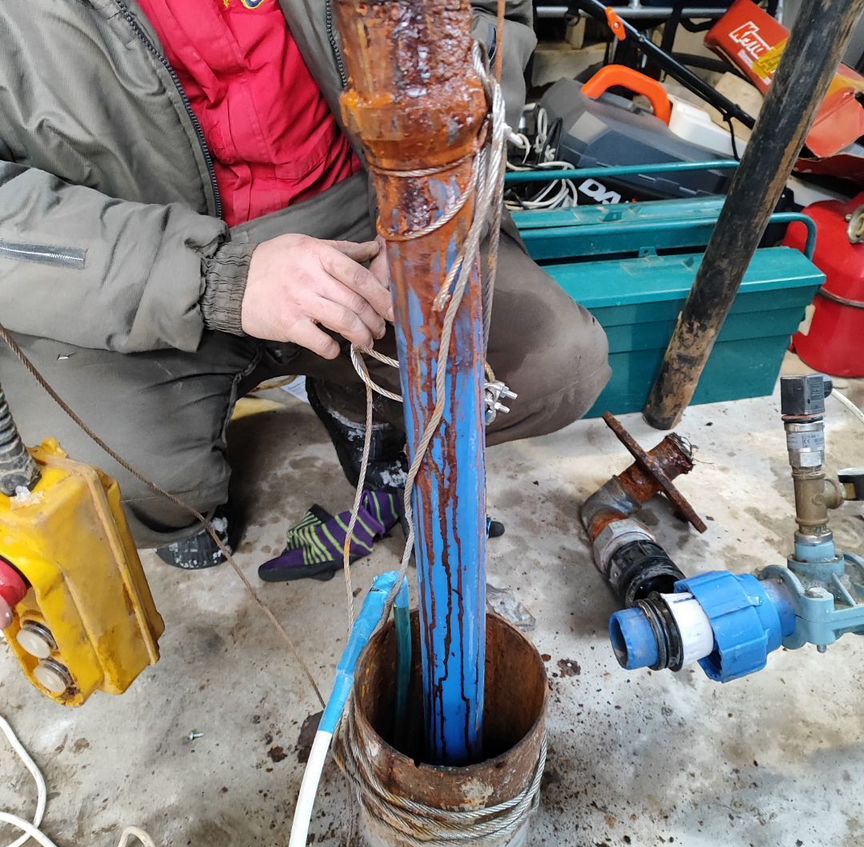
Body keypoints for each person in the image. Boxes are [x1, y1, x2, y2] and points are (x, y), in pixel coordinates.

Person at [0, 0, 610, 569]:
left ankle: (353, 398)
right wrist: (214, 279)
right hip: (128, 251)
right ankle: (186, 501)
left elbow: (481, 15)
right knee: (95, 493)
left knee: (556, 366)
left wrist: (422, 208)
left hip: (360, 206)